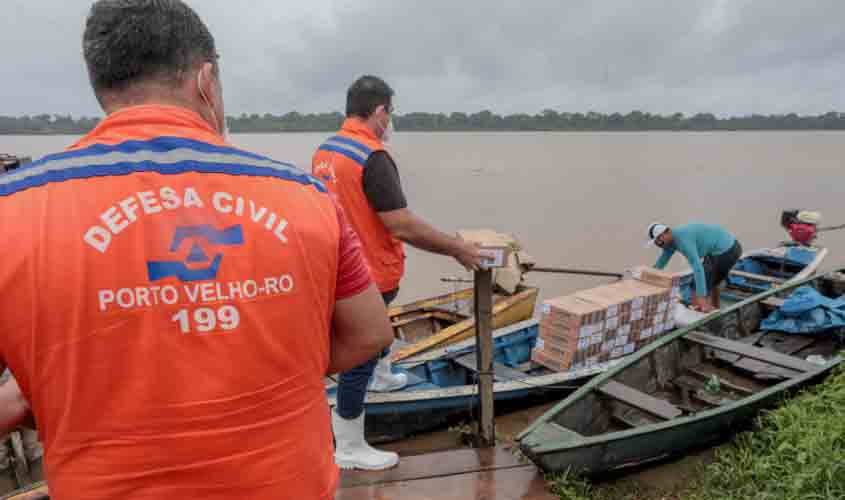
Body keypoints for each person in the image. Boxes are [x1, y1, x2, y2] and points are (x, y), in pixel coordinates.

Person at [0, 1, 393, 498]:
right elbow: (369, 332)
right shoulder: (304, 196)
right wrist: (256, 368)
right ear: (207, 81)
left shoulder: (14, 207)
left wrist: (41, 391)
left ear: (101, 87)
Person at [312, 75, 484, 471]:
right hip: (368, 272)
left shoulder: (327, 150)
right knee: (363, 353)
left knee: (377, 333)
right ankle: (350, 445)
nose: (390, 123)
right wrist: (457, 247)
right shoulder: (372, 156)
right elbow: (401, 224)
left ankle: (384, 375)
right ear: (379, 111)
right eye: (389, 113)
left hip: (337, 266)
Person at [646, 222, 742, 312]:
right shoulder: (670, 242)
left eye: (658, 240)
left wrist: (700, 296)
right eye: (656, 242)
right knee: (710, 279)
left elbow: (697, 268)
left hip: (728, 250)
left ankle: (709, 313)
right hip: (719, 249)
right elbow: (661, 262)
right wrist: (647, 276)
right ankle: (716, 307)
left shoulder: (683, 241)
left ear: (666, 233)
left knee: (696, 289)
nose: (658, 244)